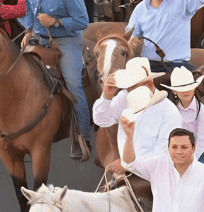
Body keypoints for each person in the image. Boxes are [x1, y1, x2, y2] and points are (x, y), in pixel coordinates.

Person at [93, 58, 182, 175]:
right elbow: (101, 120)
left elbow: (163, 155)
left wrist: (128, 165)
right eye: (128, 87)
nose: (130, 92)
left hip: (156, 178)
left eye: (134, 87)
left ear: (150, 84)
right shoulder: (124, 97)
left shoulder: (169, 112)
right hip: (127, 172)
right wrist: (106, 97)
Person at [26, 0, 93, 149]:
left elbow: (83, 21)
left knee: (73, 84)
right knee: (20, 76)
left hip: (67, 40)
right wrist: (28, 31)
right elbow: (30, 12)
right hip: (39, 40)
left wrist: (56, 21)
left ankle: (83, 137)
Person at [124, 0, 204, 76]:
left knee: (195, 83)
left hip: (176, 65)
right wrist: (133, 42)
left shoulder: (183, 2)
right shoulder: (140, 8)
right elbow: (132, 37)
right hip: (147, 65)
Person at [163, 67, 204, 162]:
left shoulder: (202, 112)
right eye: (182, 88)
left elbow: (201, 141)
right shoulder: (172, 111)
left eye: (189, 87)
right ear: (174, 92)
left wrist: (190, 160)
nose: (186, 91)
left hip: (196, 153)